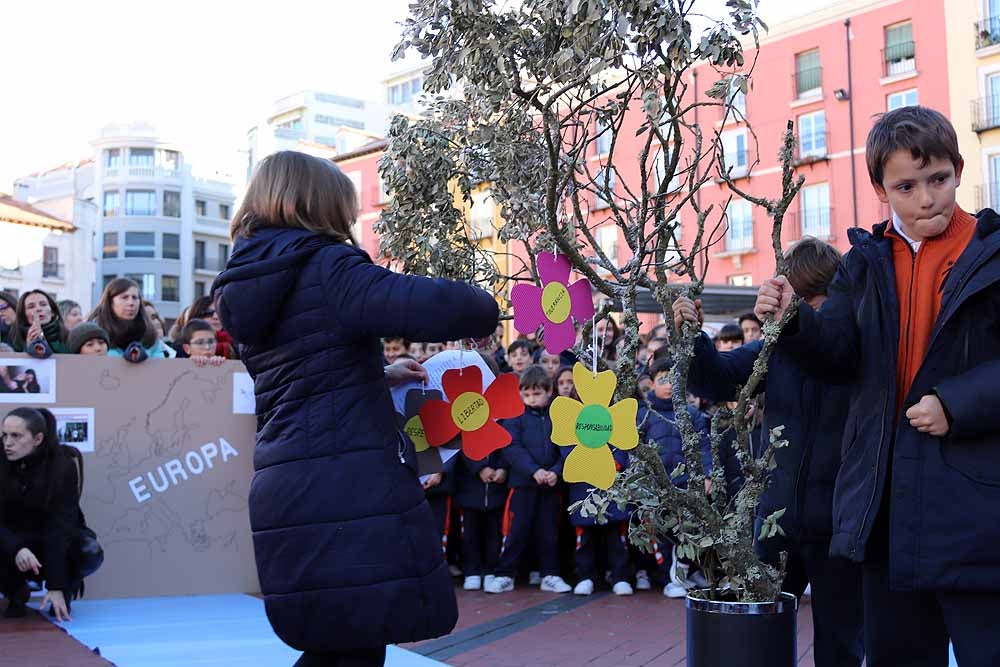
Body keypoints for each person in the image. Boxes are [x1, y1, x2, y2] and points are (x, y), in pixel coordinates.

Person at [212, 150, 499, 667]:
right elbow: (433, 306)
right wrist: (486, 301)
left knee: (343, 647)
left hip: (289, 480)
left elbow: (298, 372)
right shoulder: (327, 266)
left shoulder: (247, 280)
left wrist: (374, 373)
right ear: (317, 205)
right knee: (353, 650)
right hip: (345, 481)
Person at [755, 106, 1000, 667]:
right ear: (880, 188)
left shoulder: (993, 255)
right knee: (896, 654)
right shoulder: (863, 263)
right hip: (884, 499)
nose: (927, 197)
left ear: (958, 170)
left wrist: (959, 405)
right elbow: (838, 355)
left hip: (976, 502)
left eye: (937, 179)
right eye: (906, 186)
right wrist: (793, 321)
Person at [675, 237, 864, 667]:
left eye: (818, 299)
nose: (809, 312)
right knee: (756, 639)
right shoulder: (774, 351)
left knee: (842, 647)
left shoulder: (855, 353)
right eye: (798, 299)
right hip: (775, 522)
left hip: (840, 525)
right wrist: (694, 338)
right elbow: (717, 380)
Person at [1, 407, 101, 620]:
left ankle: (64, 592)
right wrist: (16, 548)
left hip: (48, 539)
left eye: (16, 436)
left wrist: (56, 585)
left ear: (38, 439)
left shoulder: (62, 465)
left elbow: (61, 526)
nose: (7, 442)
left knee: (89, 551)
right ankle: (14, 591)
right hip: (10, 540)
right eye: (4, 435)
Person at [485, 366, 571, 595]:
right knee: (516, 531)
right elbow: (511, 447)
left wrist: (556, 471)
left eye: (536, 393)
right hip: (523, 485)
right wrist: (534, 471)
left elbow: (567, 445)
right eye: (526, 394)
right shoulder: (514, 415)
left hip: (551, 486)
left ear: (549, 390)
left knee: (549, 532)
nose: (531, 399)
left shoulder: (559, 414)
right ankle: (504, 574)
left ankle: (550, 574)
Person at [638, 358, 712, 598]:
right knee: (661, 533)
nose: (669, 385)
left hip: (685, 485)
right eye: (663, 380)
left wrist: (707, 475)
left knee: (688, 530)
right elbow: (633, 449)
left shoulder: (692, 414)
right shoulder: (644, 413)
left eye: (674, 379)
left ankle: (681, 574)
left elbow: (704, 447)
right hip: (655, 486)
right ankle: (666, 577)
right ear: (651, 383)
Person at [565, 444, 633, 597]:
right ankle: (585, 577)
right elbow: (567, 447)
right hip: (583, 483)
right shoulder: (572, 421)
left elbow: (623, 443)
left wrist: (615, 464)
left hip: (613, 482)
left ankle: (620, 577)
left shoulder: (616, 420)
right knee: (585, 537)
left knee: (616, 536)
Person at [454, 448, 507, 591]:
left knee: (495, 534)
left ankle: (491, 571)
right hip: (469, 489)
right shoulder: (468, 426)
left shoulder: (504, 425)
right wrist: (480, 468)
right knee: (469, 534)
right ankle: (472, 572)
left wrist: (503, 468)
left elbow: (509, 445)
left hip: (497, 490)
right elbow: (462, 446)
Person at [88, 279, 167, 362]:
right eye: (124, 297)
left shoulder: (149, 333)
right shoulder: (95, 331)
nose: (131, 303)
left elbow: (159, 366)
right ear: (110, 302)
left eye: (135, 297)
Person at [10, 290, 68, 357]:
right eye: (31, 307)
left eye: (43, 304)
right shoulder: (13, 339)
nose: (38, 309)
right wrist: (29, 348)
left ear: (53, 312)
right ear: (23, 315)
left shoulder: (68, 337)